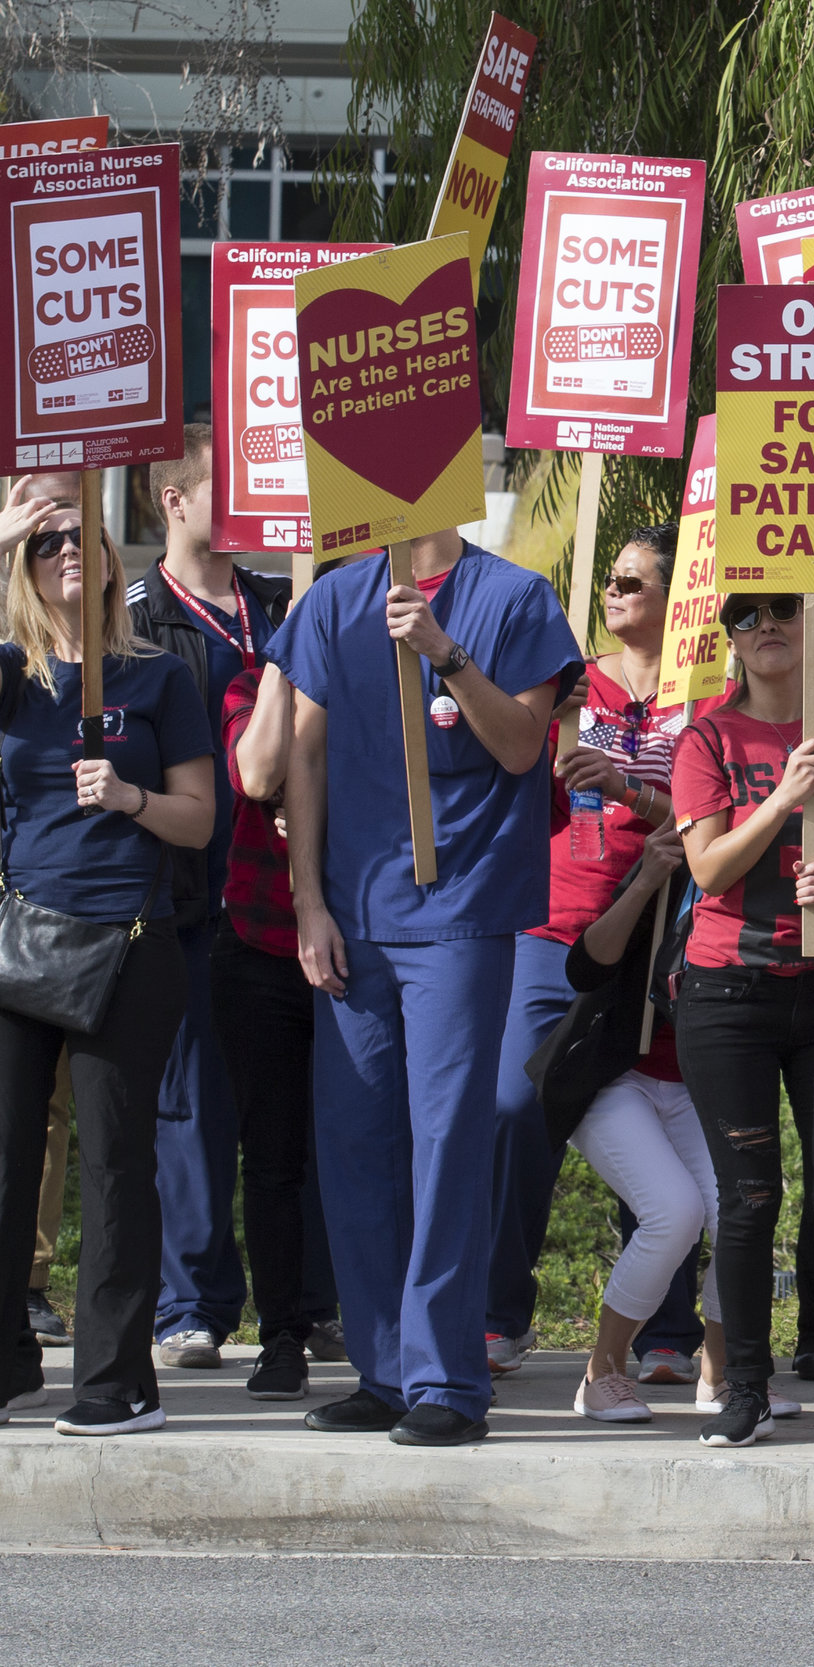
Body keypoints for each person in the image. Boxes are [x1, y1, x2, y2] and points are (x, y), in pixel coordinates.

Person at [278, 528, 581, 1447]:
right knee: (357, 1139)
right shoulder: (332, 600)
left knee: (447, 1139)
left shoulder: (515, 597)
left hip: (461, 911)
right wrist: (308, 904)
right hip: (353, 915)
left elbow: (525, 746)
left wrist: (445, 653)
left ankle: (447, 1377)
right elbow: (306, 758)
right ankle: (382, 1367)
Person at [0, 483, 217, 1434]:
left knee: (119, 1166)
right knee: (7, 1165)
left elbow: (200, 819)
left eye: (77, 533)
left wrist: (130, 799)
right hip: (20, 947)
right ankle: (10, 1366)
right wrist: (2, 528)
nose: (64, 551)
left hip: (129, 944)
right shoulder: (11, 673)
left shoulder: (159, 676)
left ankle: (115, 1382)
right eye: (43, 543)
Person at [670, 591, 814, 1450]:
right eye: (745, 615)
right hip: (729, 995)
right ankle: (745, 1389)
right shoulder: (709, 739)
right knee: (750, 1197)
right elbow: (709, 863)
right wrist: (783, 796)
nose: (764, 626)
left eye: (783, 611)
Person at [112, 430, 294, 1371]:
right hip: (187, 898)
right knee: (190, 1110)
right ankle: (194, 1302)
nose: (252, 497)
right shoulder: (137, 621)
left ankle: (303, 1302)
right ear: (173, 501)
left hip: (287, 899)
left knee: (288, 1106)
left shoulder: (282, 600)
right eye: (229, 485)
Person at [485, 526, 685, 1378]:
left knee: (665, 1117)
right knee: (514, 1104)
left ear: (678, 597)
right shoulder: (573, 679)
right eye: (608, 579)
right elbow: (522, 754)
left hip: (662, 937)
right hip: (555, 925)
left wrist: (632, 790)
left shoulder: (706, 695)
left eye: (633, 581)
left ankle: (668, 1330)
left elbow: (707, 813)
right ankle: (500, 1312)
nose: (614, 591)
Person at [559, 827, 725, 1424]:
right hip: (616, 1077)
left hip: (698, 1083)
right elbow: (585, 966)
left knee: (741, 1211)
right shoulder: (668, 867)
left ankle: (722, 1376)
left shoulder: (750, 880)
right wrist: (648, 881)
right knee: (673, 1211)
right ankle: (602, 1372)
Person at [219, 657, 346, 1400]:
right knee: (271, 1159)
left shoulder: (381, 685)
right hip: (261, 944)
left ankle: (370, 1323)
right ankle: (280, 1338)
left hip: (359, 949)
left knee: (360, 1148)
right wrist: (284, 665)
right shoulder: (251, 679)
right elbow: (256, 774)